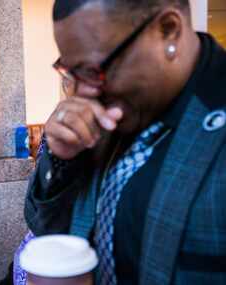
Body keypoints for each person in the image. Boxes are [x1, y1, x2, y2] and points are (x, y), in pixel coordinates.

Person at [25, 0, 226, 284]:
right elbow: (44, 227)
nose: (82, 92)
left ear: (169, 30)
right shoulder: (108, 111)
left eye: (94, 70)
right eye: (72, 73)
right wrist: (61, 160)